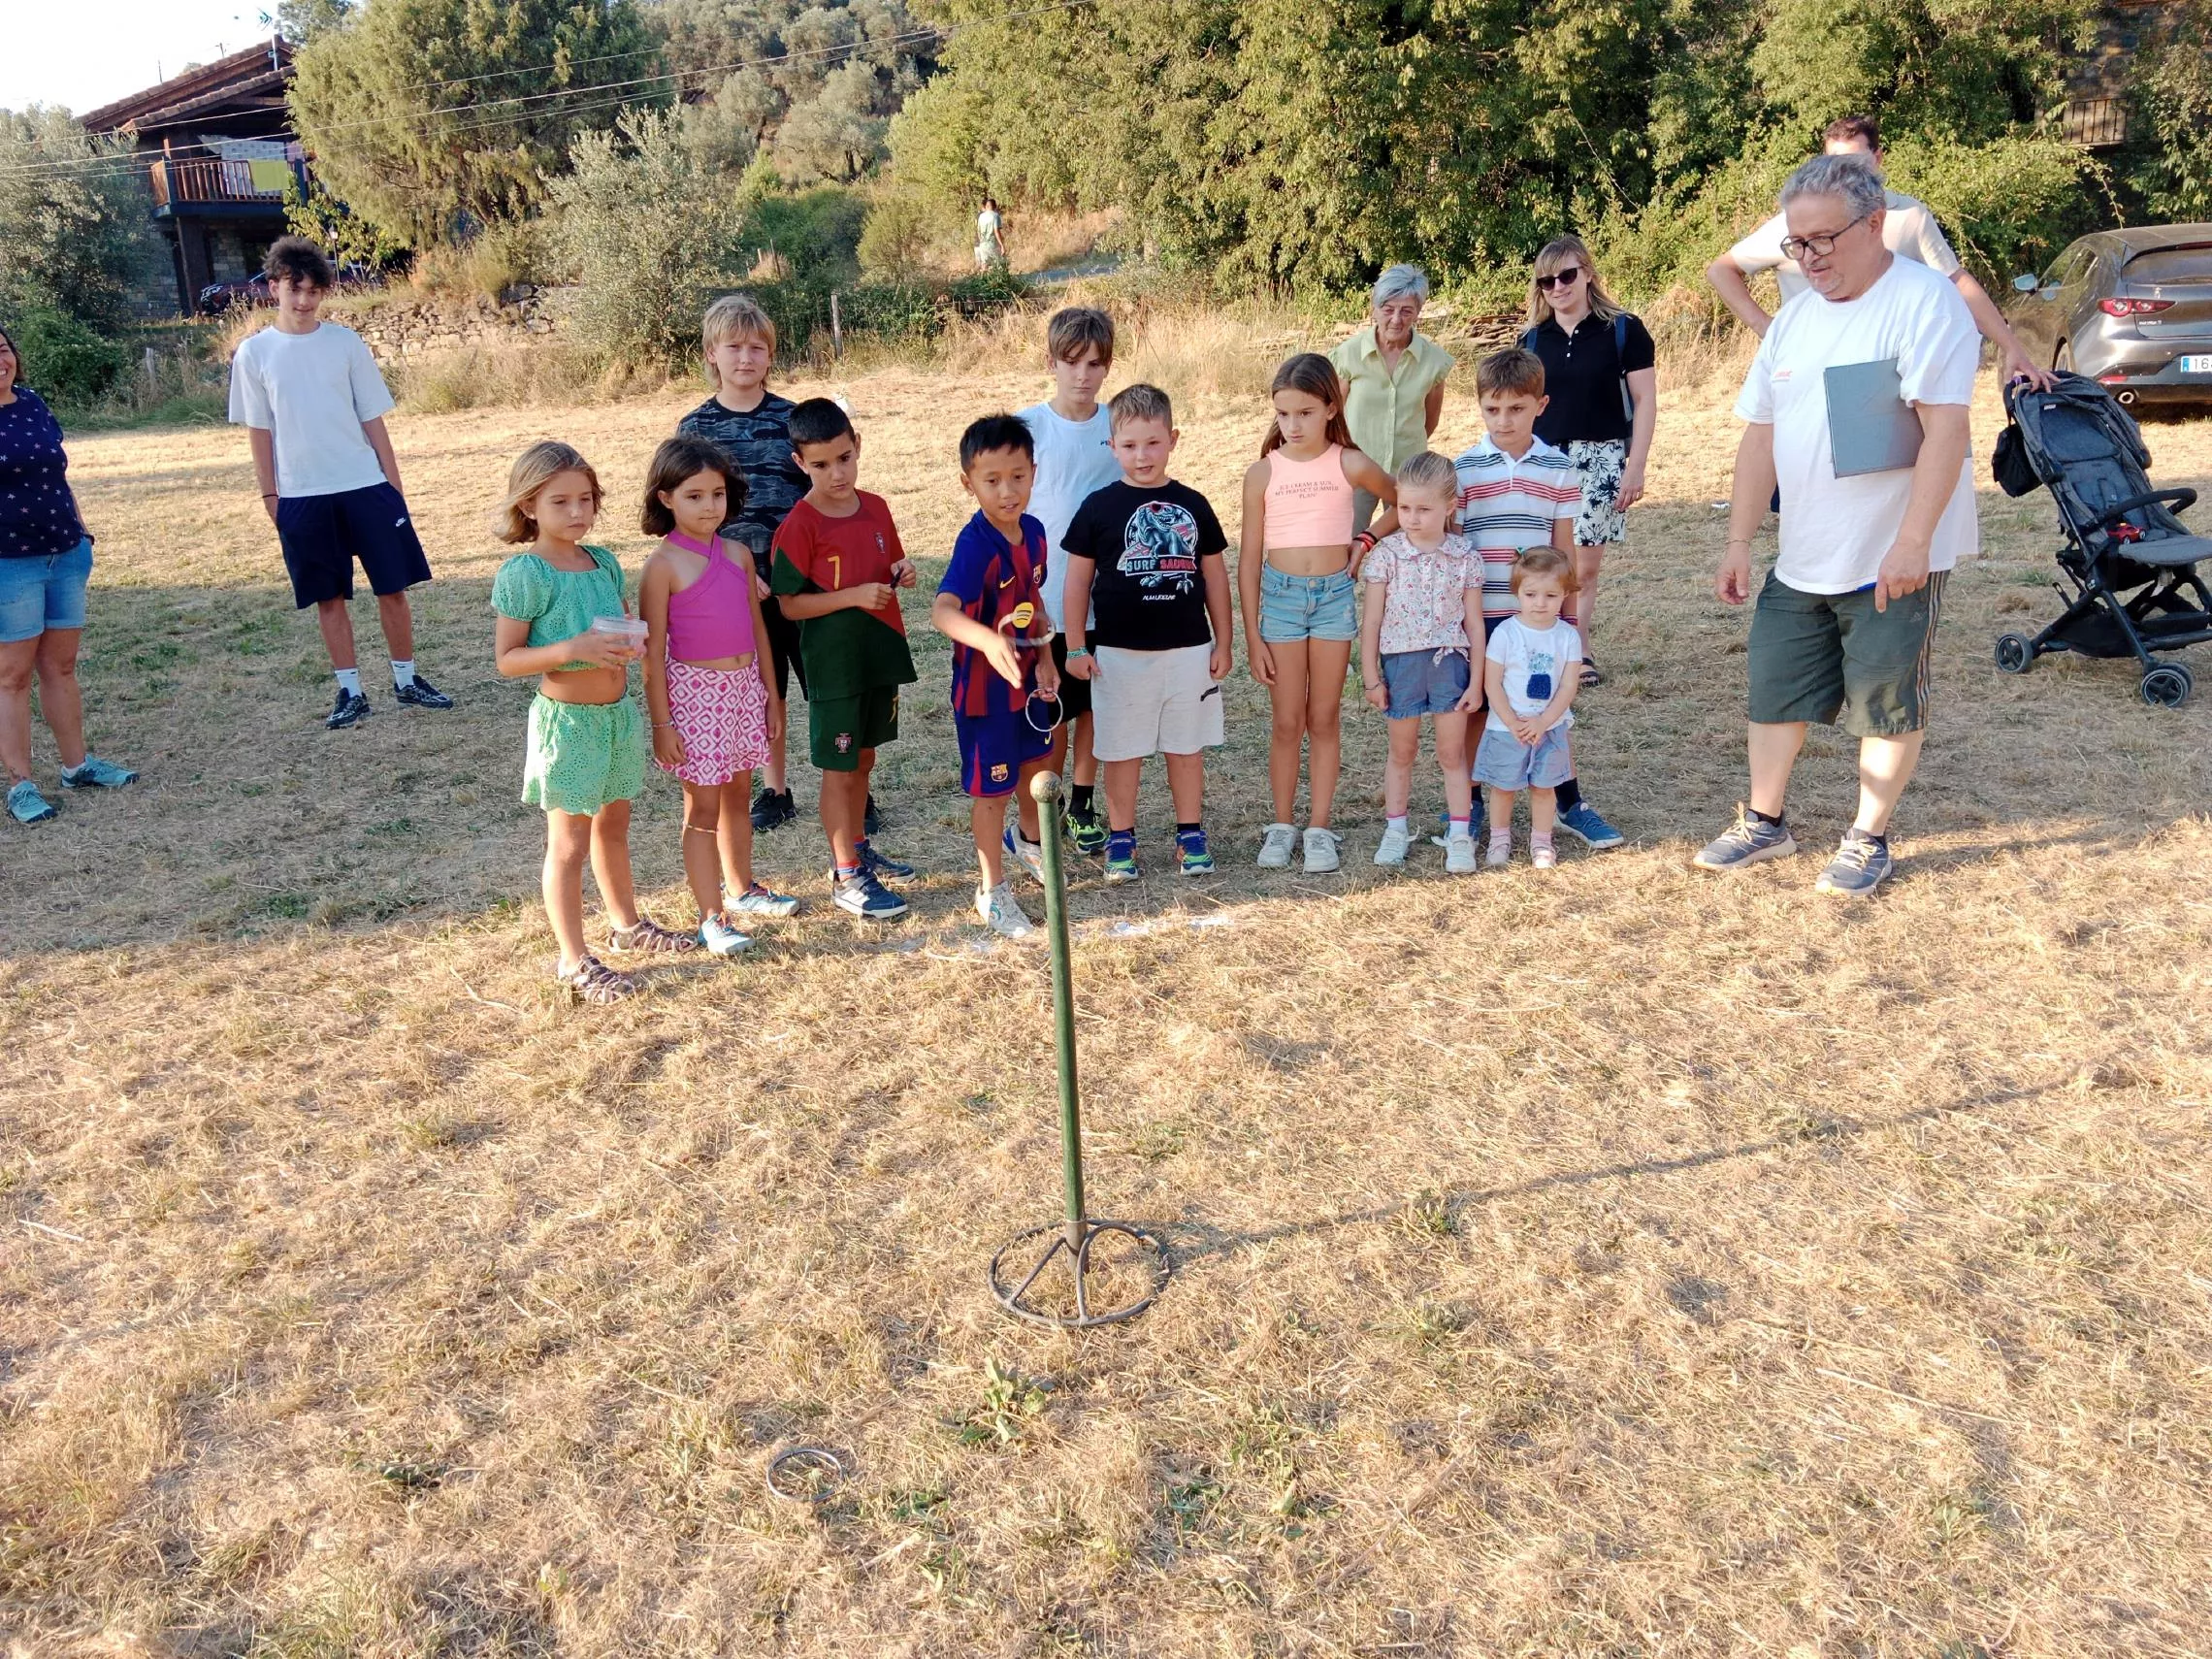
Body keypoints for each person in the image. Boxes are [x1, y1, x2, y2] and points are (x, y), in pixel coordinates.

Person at [1698, 153, 1979, 896]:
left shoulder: (1925, 304)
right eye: (1798, 243)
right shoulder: (1790, 322)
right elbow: (1760, 435)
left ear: (1876, 224)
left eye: (1825, 239)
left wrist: (1913, 542)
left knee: (1884, 697)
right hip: (1803, 551)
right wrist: (1739, 541)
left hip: (1891, 550)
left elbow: (1945, 431)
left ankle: (1867, 836)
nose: (1810, 257)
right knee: (1774, 684)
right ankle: (1764, 823)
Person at [490, 442, 697, 1005]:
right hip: (569, 726)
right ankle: (573, 960)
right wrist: (572, 648)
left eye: (587, 499)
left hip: (616, 719)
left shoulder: (602, 561)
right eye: (561, 502)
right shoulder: (525, 573)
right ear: (529, 506)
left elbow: (616, 624)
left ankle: (627, 924)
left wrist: (629, 638)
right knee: (568, 845)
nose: (577, 512)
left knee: (613, 828)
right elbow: (507, 660)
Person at [228, 235, 453, 730]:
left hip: (365, 486)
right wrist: (271, 496)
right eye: (295, 290)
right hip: (302, 496)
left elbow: (373, 419)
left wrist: (393, 488)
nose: (304, 301)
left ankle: (407, 680)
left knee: (393, 588)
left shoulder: (345, 343)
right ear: (274, 289)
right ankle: (350, 691)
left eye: (313, 291)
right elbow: (258, 431)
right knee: (329, 596)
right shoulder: (254, 354)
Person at [1706, 113, 2054, 391]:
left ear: (1878, 159)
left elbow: (1956, 281)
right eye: (1834, 164)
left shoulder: (1910, 216)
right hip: (1808, 376)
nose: (1844, 175)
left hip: (1883, 381)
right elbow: (1721, 269)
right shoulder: (1797, 221)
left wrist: (2011, 346)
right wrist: (1770, 332)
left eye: (1855, 164)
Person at [1060, 383, 1233, 884]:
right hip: (1118, 654)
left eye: (1153, 443)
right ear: (1111, 446)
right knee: (1120, 750)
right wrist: (1075, 645)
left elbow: (1215, 576)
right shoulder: (1098, 508)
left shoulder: (1194, 504)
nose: (1142, 456)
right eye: (1130, 445)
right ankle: (1121, 838)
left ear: (1173, 439)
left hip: (1187, 651)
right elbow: (1078, 581)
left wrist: (1224, 641)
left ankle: (1190, 834)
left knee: (1186, 746)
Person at [1451, 349, 1624, 852]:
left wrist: (1568, 615)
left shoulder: (1558, 467)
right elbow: (1459, 542)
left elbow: (1562, 541)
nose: (1504, 421)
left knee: (1548, 703)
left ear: (1540, 405)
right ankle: (1471, 803)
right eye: (1493, 409)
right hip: (1480, 613)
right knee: (1479, 706)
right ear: (1480, 407)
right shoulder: (1464, 469)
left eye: (1517, 408)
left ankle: (1568, 802)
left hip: (1540, 612)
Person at [637, 435, 801, 960]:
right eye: (694, 495)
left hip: (744, 691)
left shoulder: (738, 554)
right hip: (693, 699)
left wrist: (772, 697)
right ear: (666, 498)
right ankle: (711, 917)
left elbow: (758, 630)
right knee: (702, 807)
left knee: (737, 794)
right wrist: (662, 724)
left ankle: (742, 887)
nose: (709, 506)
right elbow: (652, 652)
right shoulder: (661, 566)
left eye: (717, 494)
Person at [1240, 352, 1399, 872]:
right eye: (1284, 414)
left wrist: (1367, 537)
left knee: (1324, 718)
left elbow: (1404, 500)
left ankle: (1319, 828)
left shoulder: (1349, 463)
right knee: (1287, 722)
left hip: (1332, 599)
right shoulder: (1262, 473)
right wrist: (1252, 636)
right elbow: (1247, 562)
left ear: (1332, 407)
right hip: (1281, 603)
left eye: (1305, 413)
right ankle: (1282, 825)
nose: (1293, 425)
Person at [675, 294, 824, 835]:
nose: (746, 358)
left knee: (823, 684)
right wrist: (729, 573)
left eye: (757, 347)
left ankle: (850, 783)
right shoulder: (695, 427)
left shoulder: (794, 420)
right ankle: (775, 788)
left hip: (801, 580)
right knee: (765, 689)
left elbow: (822, 495)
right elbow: (688, 510)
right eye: (733, 347)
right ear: (712, 353)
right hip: (731, 585)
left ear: (770, 355)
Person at [769, 398, 921, 921]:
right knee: (839, 767)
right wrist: (852, 596)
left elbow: (886, 563)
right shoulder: (800, 525)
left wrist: (901, 572)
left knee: (864, 757)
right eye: (820, 464)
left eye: (844, 458)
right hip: (834, 666)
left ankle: (859, 846)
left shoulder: (877, 506)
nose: (836, 473)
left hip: (877, 653)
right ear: (799, 463)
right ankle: (845, 873)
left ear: (858, 446)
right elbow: (789, 604)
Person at [932, 415, 1064, 939]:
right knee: (992, 792)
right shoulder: (976, 545)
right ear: (969, 483)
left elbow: (1033, 603)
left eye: (1017, 476)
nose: (1007, 491)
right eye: (992, 480)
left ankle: (1029, 844)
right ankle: (992, 888)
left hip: (1029, 683)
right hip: (985, 695)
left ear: (1033, 472)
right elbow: (942, 611)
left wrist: (1048, 656)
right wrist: (987, 639)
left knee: (1036, 773)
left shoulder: (1033, 533)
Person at [0, 322, 136, 825]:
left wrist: (81, 533)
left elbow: (57, 473)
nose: (1, 360)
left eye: (4, 349)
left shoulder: (32, 403)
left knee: (60, 667)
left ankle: (77, 766)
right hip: (9, 564)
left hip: (65, 554)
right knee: (12, 676)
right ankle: (21, 787)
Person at [1522, 234, 1657, 686]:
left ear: (1587, 273)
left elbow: (1645, 401)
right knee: (1540, 558)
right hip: (1542, 459)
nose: (1558, 286)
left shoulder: (1623, 330)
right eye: (1547, 280)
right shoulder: (1530, 339)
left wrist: (1634, 466)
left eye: (1567, 275)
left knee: (1583, 566)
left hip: (1599, 458)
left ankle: (1578, 651)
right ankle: (1539, 646)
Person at [1021, 306, 1121, 856]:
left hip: (1106, 599)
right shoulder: (1028, 427)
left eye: (1095, 363)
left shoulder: (1118, 426)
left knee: (1094, 710)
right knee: (1052, 708)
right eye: (1072, 362)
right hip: (1045, 599)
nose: (1083, 375)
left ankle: (1083, 803)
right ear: (1051, 361)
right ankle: (1049, 802)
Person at [1358, 451, 1482, 873]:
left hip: (1450, 665)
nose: (1411, 518)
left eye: (1424, 509)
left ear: (1450, 507)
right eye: (1404, 508)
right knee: (1402, 751)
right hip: (1401, 665)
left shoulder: (1465, 556)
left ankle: (1460, 834)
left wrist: (1477, 681)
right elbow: (1371, 621)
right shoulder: (1387, 556)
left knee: (1452, 754)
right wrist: (1371, 676)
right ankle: (1395, 829)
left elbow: (1475, 625)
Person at [1478, 548, 1584, 869]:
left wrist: (1544, 721)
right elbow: (1492, 683)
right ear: (1517, 592)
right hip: (1506, 727)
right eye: (1531, 594)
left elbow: (1568, 686)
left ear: (1565, 594)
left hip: (1549, 728)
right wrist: (1512, 722)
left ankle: (1541, 842)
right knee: (1504, 787)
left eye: (1551, 595)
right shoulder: (1505, 633)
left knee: (1543, 787)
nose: (1540, 602)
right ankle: (1499, 839)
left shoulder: (1567, 637)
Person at [1330, 265, 1456, 534]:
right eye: (1388, 309)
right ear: (1374, 309)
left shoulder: (1434, 361)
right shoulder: (1348, 355)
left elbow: (1429, 422)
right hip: (1356, 470)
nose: (1396, 319)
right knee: (1344, 543)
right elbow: (1334, 415)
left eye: (1406, 310)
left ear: (1418, 312)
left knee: (1406, 549)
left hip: (1409, 476)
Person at [976, 197, 1007, 270]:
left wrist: (981, 240)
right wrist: (1002, 245)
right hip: (992, 244)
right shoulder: (995, 216)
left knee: (984, 265)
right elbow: (996, 231)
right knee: (997, 265)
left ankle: (983, 279)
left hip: (982, 244)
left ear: (986, 206)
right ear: (994, 206)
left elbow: (978, 231)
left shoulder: (981, 216)